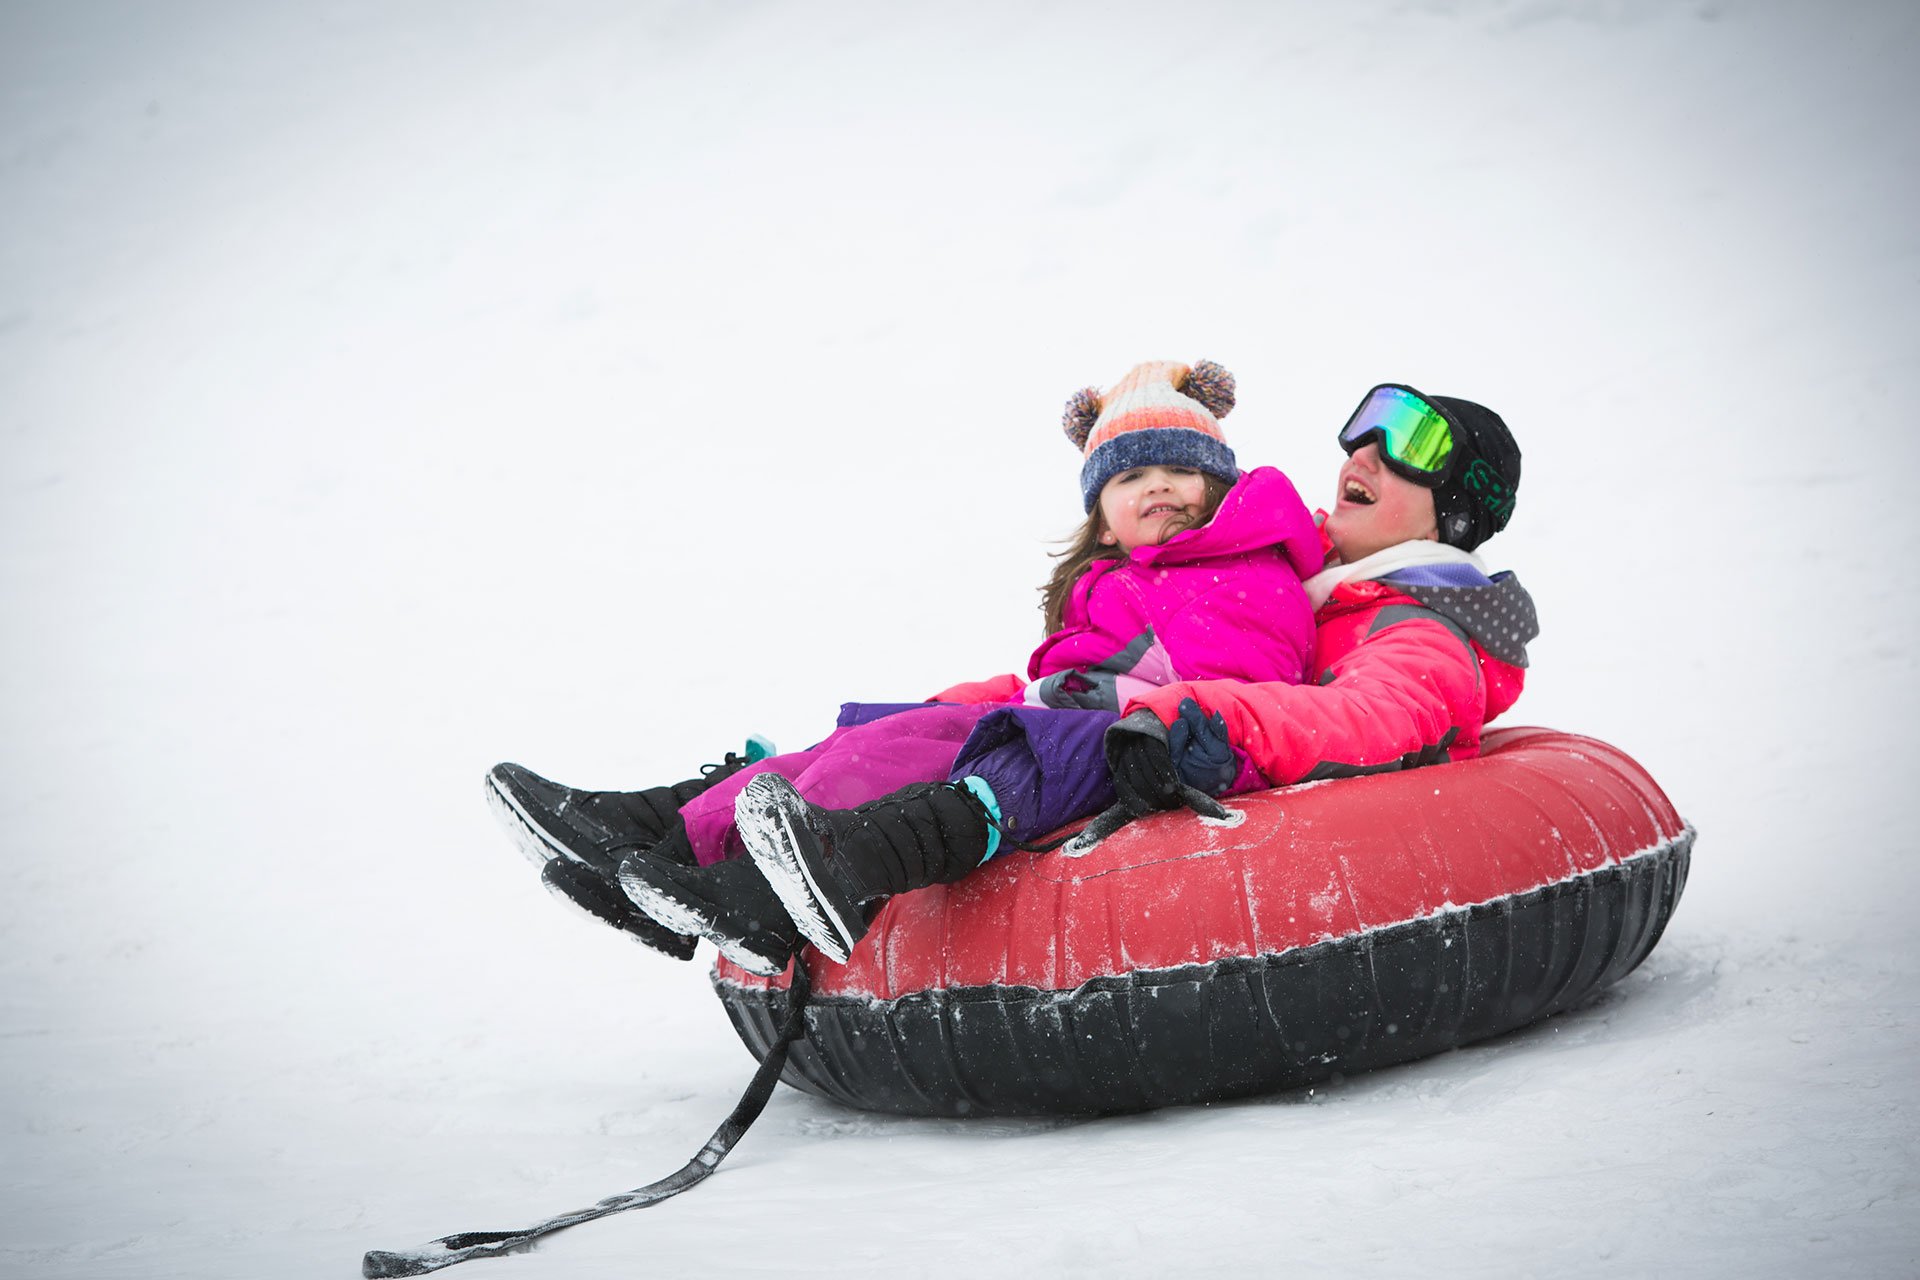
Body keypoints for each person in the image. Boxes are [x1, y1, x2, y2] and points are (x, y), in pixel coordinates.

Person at [489, 359, 1324, 972]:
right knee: (874, 739)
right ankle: (664, 849)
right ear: (1103, 522)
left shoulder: (1241, 571)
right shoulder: (1117, 582)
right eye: (1134, 475)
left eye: (1183, 469)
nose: (1162, 487)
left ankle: (716, 870)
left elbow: (1234, 696)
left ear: (1223, 490)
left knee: (917, 752)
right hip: (1061, 721)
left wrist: (1162, 735)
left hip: (1130, 748)